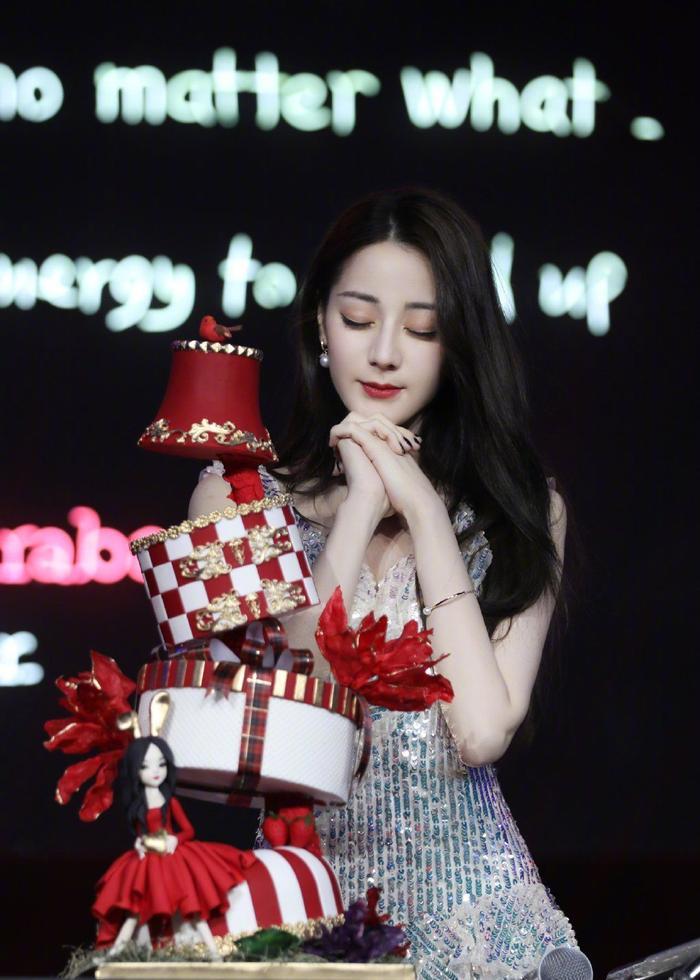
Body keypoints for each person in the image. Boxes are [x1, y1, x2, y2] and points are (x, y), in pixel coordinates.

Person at [191, 187, 579, 978]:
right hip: (305, 926)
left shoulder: (524, 511)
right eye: (358, 319)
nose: (385, 353)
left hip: (483, 937)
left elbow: (481, 732)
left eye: (423, 328)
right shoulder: (234, 500)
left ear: (459, 343)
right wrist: (361, 506)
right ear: (319, 325)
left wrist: (427, 514)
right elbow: (281, 734)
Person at [92, 735, 256, 958]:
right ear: (135, 770)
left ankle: (213, 952)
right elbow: (141, 833)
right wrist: (140, 843)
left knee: (192, 905)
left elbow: (189, 830)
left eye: (161, 764)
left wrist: (175, 839)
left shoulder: (170, 802)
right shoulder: (138, 806)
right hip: (149, 861)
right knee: (134, 910)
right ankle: (113, 956)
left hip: (174, 857)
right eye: (145, 766)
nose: (156, 771)